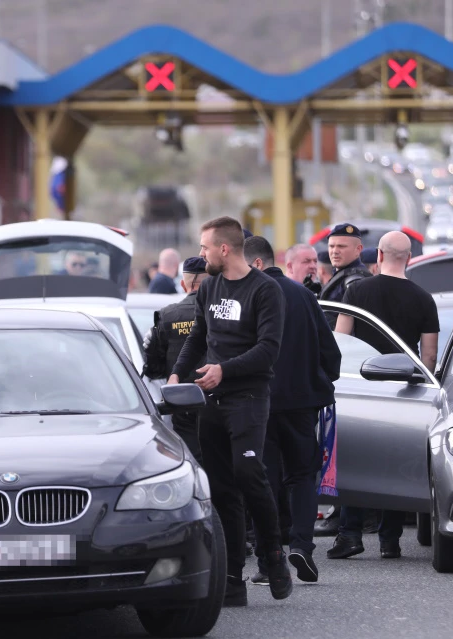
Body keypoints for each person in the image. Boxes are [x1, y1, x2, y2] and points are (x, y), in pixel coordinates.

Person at [169, 216, 292, 606]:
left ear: (224, 249)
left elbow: (268, 350)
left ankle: (274, 554)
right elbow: (197, 340)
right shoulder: (210, 289)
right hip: (212, 404)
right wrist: (176, 375)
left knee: (248, 474)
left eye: (205, 247)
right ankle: (232, 578)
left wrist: (225, 370)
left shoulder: (265, 291)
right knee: (221, 489)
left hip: (249, 399)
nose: (200, 254)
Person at [330, 231, 439, 560]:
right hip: (402, 389)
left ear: (378, 255)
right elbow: (429, 356)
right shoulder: (423, 298)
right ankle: (389, 540)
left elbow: (341, 339)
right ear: (408, 257)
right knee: (395, 460)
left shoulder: (355, 290)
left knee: (354, 455)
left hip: (361, 388)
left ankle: (349, 535)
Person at [244, 236, 341, 585]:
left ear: (255, 264)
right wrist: (318, 383)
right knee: (302, 476)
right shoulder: (305, 297)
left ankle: (268, 559)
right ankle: (302, 545)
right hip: (301, 405)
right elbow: (331, 353)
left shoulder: (249, 297)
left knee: (264, 481)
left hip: (259, 405)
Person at [142, 256, 209, 459]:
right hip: (218, 401)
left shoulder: (167, 315)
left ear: (182, 284)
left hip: (182, 403)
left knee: (189, 458)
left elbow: (153, 365)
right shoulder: (219, 313)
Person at [319, 223, 372, 306]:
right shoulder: (340, 275)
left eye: (341, 246)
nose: (335, 251)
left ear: (358, 249)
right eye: (331, 246)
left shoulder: (356, 281)